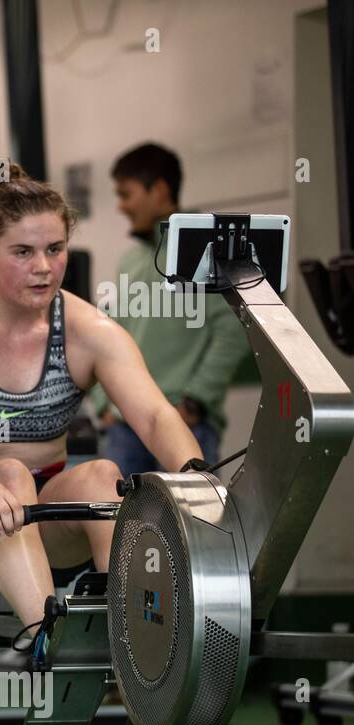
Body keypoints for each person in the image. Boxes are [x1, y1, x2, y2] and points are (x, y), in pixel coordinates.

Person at [0, 161, 209, 658]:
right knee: (8, 475)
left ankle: (137, 653)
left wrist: (197, 482)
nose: (43, 267)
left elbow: (157, 416)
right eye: (23, 252)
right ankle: (50, 645)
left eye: (55, 249)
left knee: (102, 475)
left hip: (36, 513)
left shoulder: (86, 329)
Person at [94, 142, 251, 475]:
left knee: (196, 524)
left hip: (185, 424)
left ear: (159, 189)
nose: (121, 206)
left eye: (126, 194)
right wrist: (103, 403)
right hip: (125, 427)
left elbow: (233, 331)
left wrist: (196, 399)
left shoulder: (208, 251)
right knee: (120, 527)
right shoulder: (131, 260)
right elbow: (104, 334)